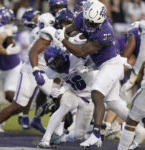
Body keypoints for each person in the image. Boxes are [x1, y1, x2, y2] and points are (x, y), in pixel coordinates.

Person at [52, 0, 130, 147]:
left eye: (94, 24)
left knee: (96, 93)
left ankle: (96, 134)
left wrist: (62, 39)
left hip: (112, 64)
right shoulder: (82, 17)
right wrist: (63, 37)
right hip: (98, 64)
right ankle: (138, 128)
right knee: (113, 103)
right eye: (89, 22)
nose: (90, 26)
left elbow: (81, 51)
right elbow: (68, 31)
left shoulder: (105, 31)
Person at [0, 10, 55, 134]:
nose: (11, 22)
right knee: (17, 102)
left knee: (60, 98)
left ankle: (59, 129)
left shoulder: (38, 31)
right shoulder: (3, 29)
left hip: (29, 68)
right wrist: (7, 50)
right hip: (29, 68)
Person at [38, 45, 95, 148]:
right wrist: (54, 90)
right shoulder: (51, 71)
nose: (56, 64)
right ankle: (45, 139)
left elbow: (96, 60)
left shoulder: (76, 58)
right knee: (64, 106)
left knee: (79, 135)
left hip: (89, 97)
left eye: (57, 60)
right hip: (73, 93)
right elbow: (57, 78)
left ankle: (61, 138)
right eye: (53, 63)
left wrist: (88, 67)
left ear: (63, 55)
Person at [0, 7, 21, 132]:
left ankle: (23, 110)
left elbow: (8, 46)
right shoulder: (0, 28)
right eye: (9, 19)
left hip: (12, 65)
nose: (11, 22)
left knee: (10, 94)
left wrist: (6, 50)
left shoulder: (5, 29)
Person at [118, 61, 145, 150]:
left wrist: (131, 82)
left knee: (131, 123)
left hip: (143, 97)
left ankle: (123, 148)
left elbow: (139, 74)